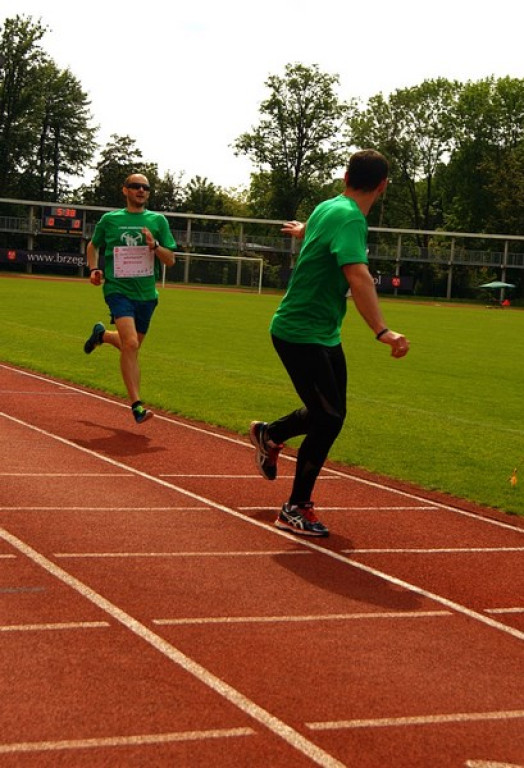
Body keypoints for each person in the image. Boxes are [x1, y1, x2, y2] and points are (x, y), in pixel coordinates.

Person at [249, 149, 410, 537]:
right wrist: (382, 331)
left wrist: (302, 230)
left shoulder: (329, 208)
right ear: (383, 185)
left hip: (321, 332)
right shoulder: (350, 218)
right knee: (330, 417)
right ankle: (295, 507)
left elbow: (315, 231)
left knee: (331, 415)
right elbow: (359, 277)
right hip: (299, 331)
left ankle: (270, 434)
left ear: (345, 177)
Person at [84, 173, 176, 423]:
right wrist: (93, 269)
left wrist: (155, 246)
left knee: (130, 345)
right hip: (117, 290)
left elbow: (170, 260)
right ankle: (136, 406)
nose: (141, 190)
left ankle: (101, 336)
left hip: (146, 294)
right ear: (125, 190)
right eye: (135, 186)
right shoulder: (110, 220)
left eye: (145, 187)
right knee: (132, 344)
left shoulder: (157, 221)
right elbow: (93, 246)